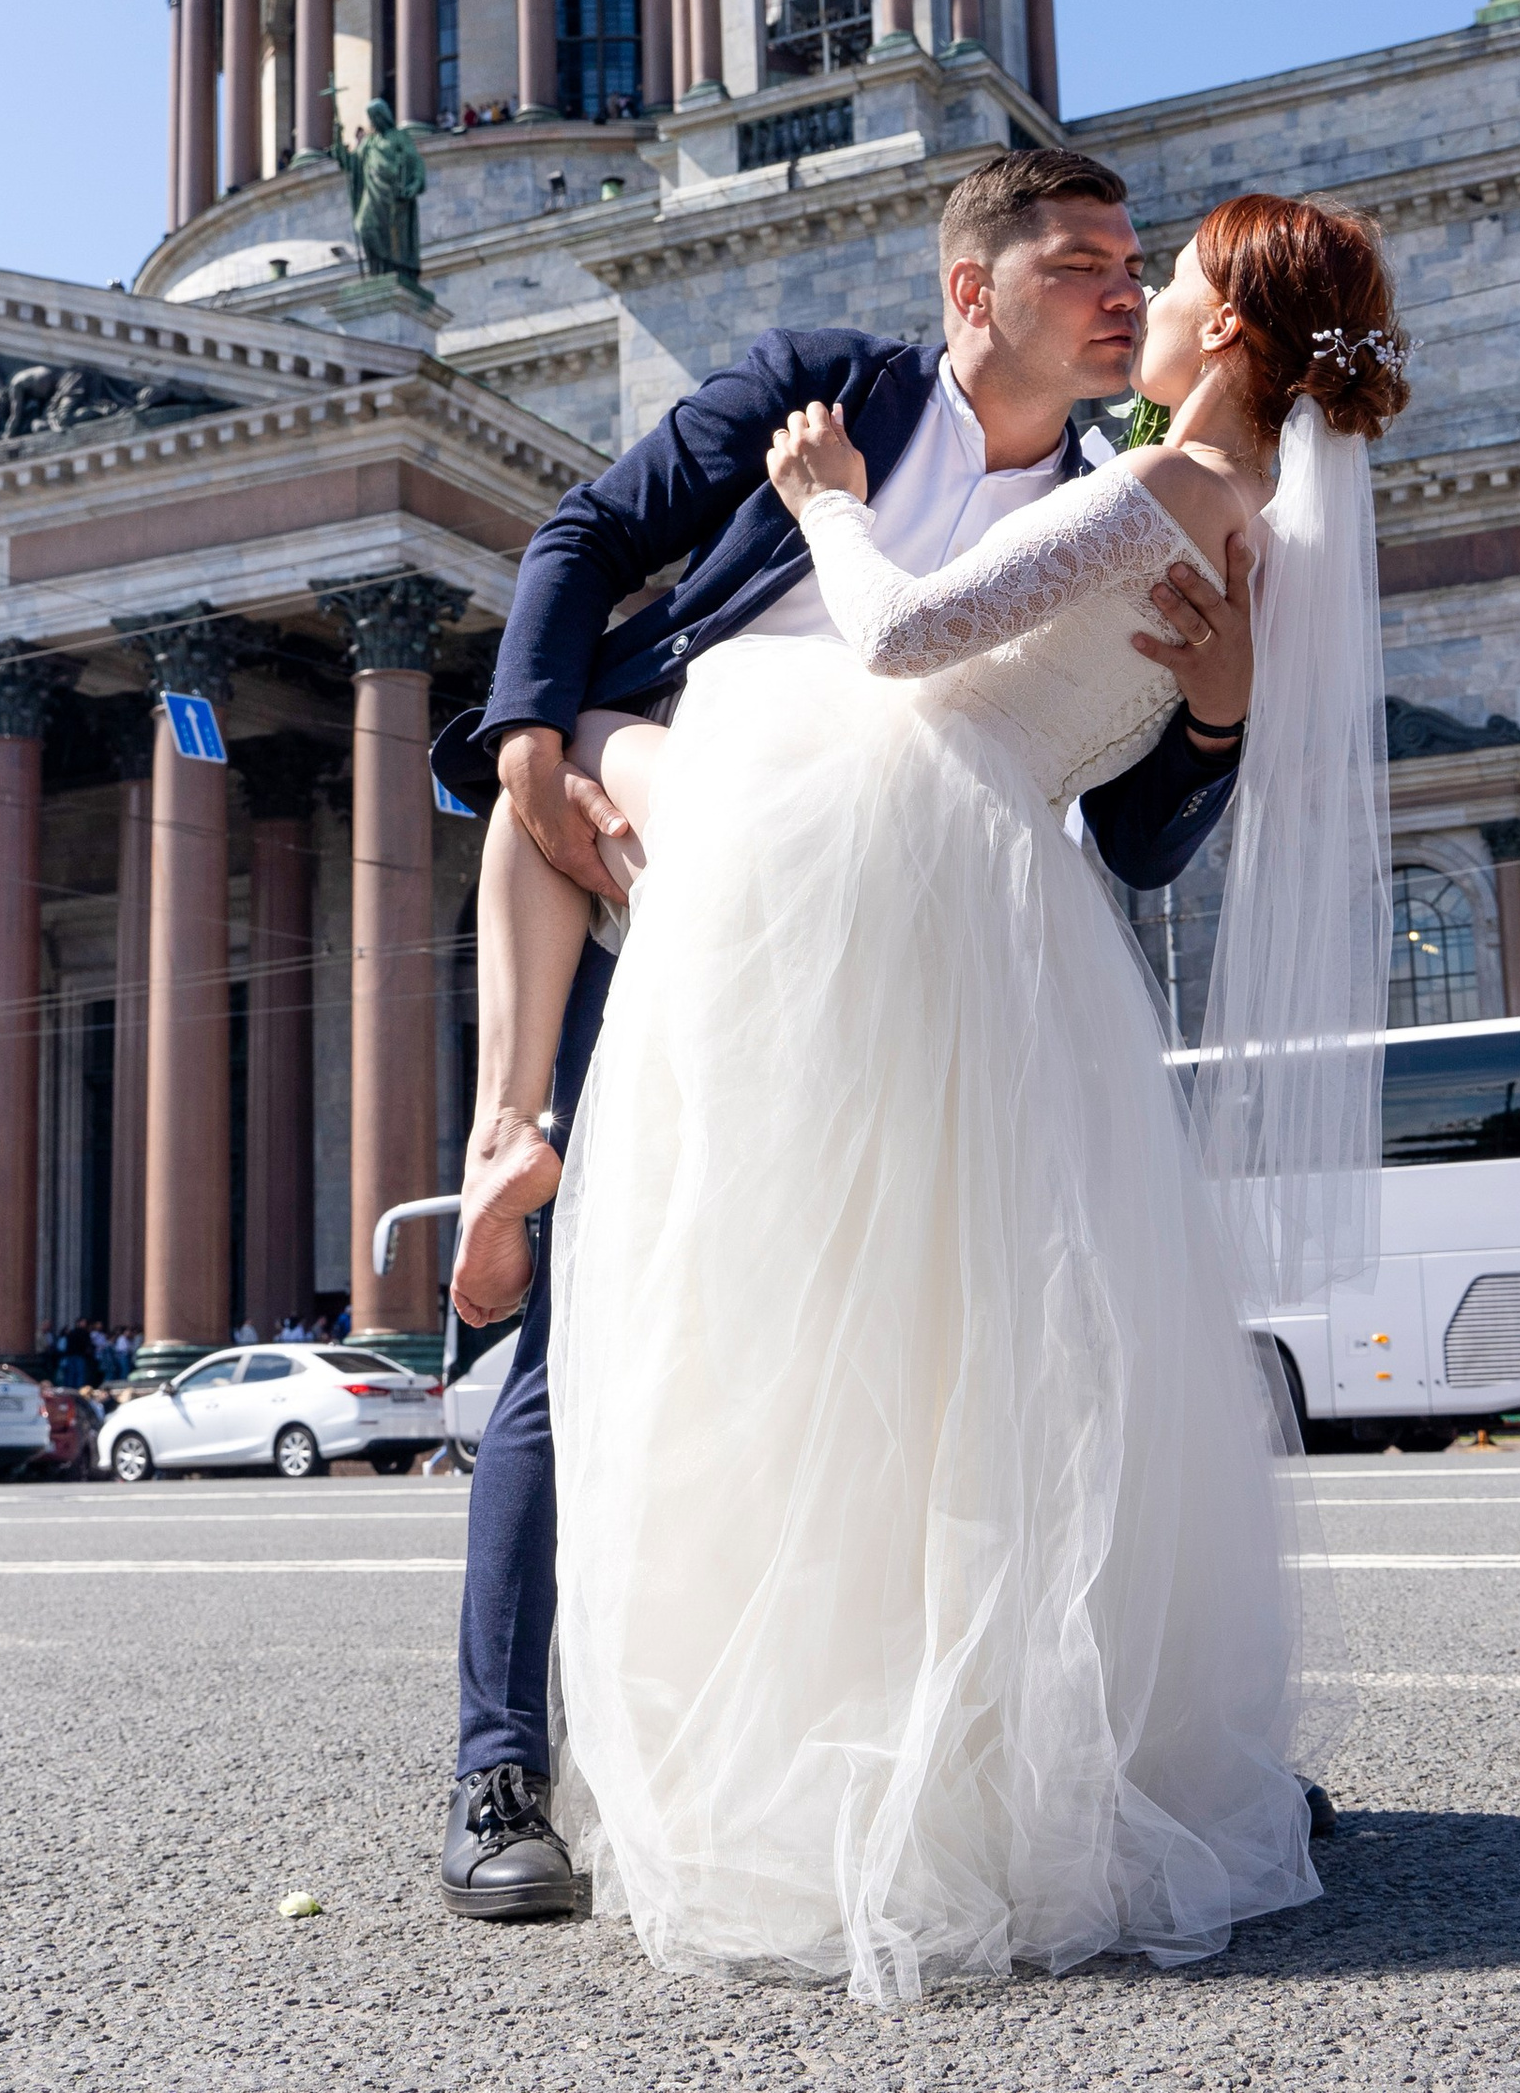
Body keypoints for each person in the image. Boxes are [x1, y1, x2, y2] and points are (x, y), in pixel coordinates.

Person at [526, 190, 1401, 1997]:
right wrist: (1219, 708)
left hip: (887, 854)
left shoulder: (1168, 487)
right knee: (985, 1365)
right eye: (1096, 265)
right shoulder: (1250, 530)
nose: (1135, 295)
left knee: (821, 1333)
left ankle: (862, 1767)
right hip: (1012, 926)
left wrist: (828, 506)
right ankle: (1018, 1770)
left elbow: (915, 640)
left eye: (1161, 280)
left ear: (1226, 334)